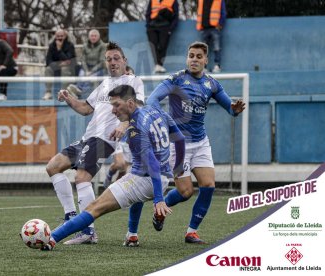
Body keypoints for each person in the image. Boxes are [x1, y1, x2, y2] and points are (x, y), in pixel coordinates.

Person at [41, 84, 185, 251]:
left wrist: (159, 198)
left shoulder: (135, 129)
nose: (113, 111)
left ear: (130, 103)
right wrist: (178, 168)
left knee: (94, 208)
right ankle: (132, 234)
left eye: (116, 105)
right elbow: (180, 139)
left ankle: (51, 238)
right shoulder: (156, 111)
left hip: (146, 180)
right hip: (162, 177)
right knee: (136, 196)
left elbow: (152, 162)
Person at [44, 42, 144, 245]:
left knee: (82, 177)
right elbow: (85, 109)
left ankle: (88, 231)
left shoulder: (134, 81)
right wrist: (68, 98)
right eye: (109, 59)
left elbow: (138, 108)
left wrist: (124, 126)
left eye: (117, 58)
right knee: (53, 167)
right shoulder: (104, 84)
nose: (113, 62)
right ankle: (72, 217)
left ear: (124, 60)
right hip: (87, 137)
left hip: (105, 139)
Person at [146, 41, 245, 244]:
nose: (194, 59)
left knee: (208, 185)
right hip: (178, 145)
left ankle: (191, 231)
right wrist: (162, 120)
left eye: (199, 56)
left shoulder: (212, 84)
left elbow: (230, 108)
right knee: (185, 192)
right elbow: (152, 100)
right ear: (187, 58)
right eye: (191, 55)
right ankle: (159, 210)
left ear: (206, 60)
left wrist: (235, 108)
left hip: (200, 142)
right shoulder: (176, 79)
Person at [103, 65, 137, 188]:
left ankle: (114, 189)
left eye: (131, 75)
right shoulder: (115, 94)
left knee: (124, 168)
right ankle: (108, 177)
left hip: (129, 139)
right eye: (126, 75)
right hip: (116, 136)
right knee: (120, 163)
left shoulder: (136, 97)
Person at [67, 29, 106, 97]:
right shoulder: (85, 45)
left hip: (98, 69)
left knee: (90, 78)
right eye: (91, 36)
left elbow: (102, 62)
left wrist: (91, 71)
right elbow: (83, 60)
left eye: (95, 36)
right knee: (81, 74)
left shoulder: (103, 46)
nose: (93, 37)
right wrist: (86, 70)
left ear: (98, 37)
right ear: (89, 37)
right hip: (87, 68)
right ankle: (78, 91)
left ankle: (79, 91)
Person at [42, 29, 77, 100]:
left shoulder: (70, 45)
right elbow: (48, 61)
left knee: (65, 69)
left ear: (65, 36)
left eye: (62, 36)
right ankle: (48, 92)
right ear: (55, 36)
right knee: (48, 69)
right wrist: (59, 64)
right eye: (58, 36)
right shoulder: (52, 46)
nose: (60, 38)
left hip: (68, 67)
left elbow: (69, 60)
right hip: (56, 66)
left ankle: (64, 93)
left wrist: (59, 49)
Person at [145, 0, 179, 74]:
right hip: (152, 26)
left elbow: (176, 16)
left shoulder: (173, 1)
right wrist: (148, 25)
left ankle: (160, 65)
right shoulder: (153, 1)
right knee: (153, 45)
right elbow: (148, 14)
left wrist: (171, 29)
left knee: (162, 46)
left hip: (165, 26)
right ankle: (157, 65)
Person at [196, 0, 227, 73]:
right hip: (204, 28)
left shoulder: (219, 0)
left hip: (215, 28)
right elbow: (199, 13)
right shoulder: (200, 1)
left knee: (217, 47)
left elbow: (223, 13)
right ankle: (203, 67)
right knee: (203, 49)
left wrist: (220, 25)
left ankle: (217, 66)